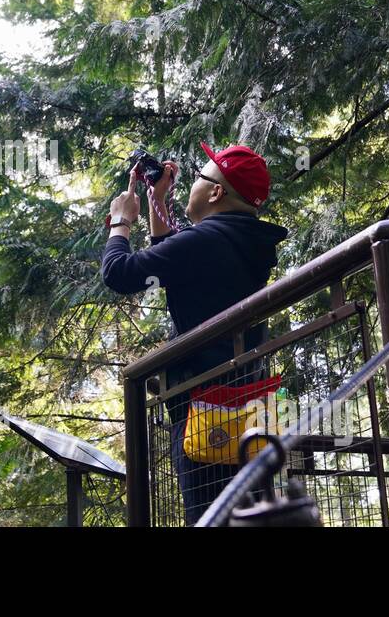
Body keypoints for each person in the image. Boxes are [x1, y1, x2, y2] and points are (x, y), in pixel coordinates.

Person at [101, 142, 288, 525]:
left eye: (202, 177)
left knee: (207, 517)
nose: (194, 184)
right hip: (244, 403)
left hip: (202, 410)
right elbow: (172, 261)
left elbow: (119, 274)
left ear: (216, 192)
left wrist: (120, 220)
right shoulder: (242, 242)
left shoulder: (205, 241)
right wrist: (158, 199)